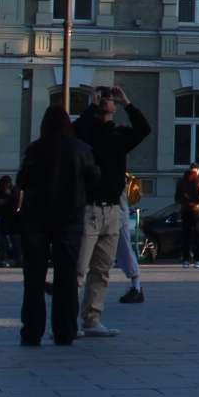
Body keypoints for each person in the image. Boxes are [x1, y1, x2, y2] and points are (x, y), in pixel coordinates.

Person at [16, 103, 98, 348]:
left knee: (34, 278)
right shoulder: (82, 150)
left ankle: (32, 331)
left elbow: (22, 180)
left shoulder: (35, 149)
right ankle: (65, 331)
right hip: (70, 219)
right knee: (66, 277)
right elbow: (94, 181)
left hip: (36, 219)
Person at [72, 85, 149, 338]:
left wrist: (128, 102)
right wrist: (91, 106)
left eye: (111, 99)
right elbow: (76, 133)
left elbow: (144, 130)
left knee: (102, 270)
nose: (109, 101)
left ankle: (92, 319)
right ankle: (67, 320)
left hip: (113, 209)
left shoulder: (119, 134)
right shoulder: (88, 133)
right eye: (105, 98)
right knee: (78, 270)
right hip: (89, 208)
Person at [115, 173, 144, 303]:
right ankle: (136, 286)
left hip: (117, 213)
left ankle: (136, 287)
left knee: (124, 249)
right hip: (115, 212)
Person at [176, 166, 199, 268]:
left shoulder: (180, 182)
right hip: (196, 211)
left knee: (186, 236)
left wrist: (185, 202)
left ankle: (186, 260)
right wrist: (195, 203)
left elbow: (176, 198)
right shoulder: (198, 181)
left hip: (185, 211)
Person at [0, 175, 21, 268]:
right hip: (4, 219)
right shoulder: (2, 191)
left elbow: (16, 204)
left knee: (12, 240)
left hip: (11, 219)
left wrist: (5, 202)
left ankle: (14, 258)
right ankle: (5, 258)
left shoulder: (14, 191)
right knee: (3, 240)